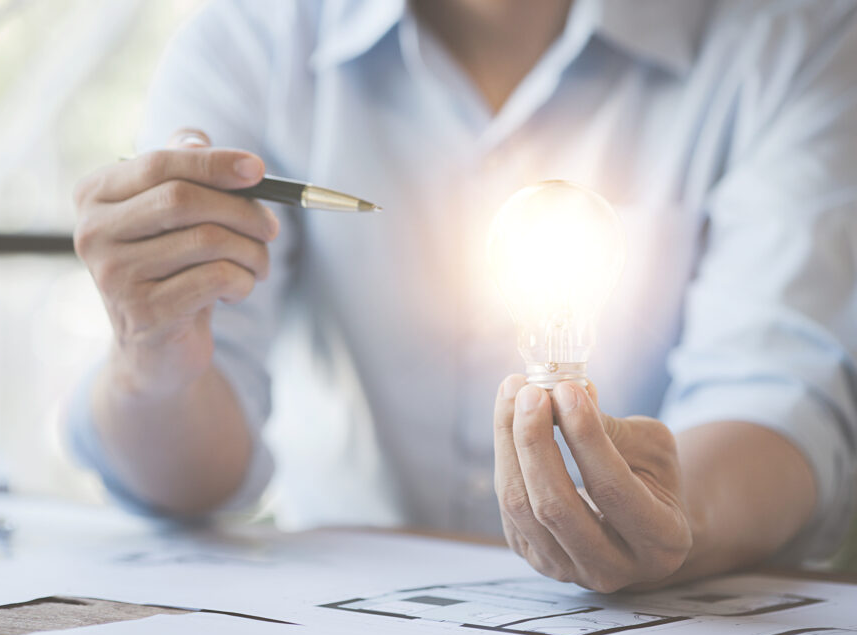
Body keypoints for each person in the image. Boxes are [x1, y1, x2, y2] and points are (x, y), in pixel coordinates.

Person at [68, 0, 857, 591]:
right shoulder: (254, 37)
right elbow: (192, 477)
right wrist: (153, 356)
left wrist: (678, 515)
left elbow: (781, 393)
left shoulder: (794, 34)